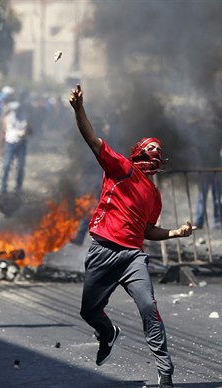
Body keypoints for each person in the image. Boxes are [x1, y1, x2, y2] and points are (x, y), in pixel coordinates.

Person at [69, 84, 194, 388]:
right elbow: (91, 139)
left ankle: (165, 372)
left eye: (159, 150)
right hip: (102, 250)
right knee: (89, 310)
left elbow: (147, 230)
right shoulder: (121, 167)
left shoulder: (155, 195)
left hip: (132, 257)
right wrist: (79, 109)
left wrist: (176, 232)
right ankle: (108, 333)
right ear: (139, 151)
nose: (156, 152)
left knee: (149, 307)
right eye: (151, 147)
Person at [0, 99, 31, 193]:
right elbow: (2, 133)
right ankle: (3, 187)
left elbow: (30, 130)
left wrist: (25, 132)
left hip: (21, 144)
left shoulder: (25, 119)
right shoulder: (7, 119)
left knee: (20, 166)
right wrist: (1, 148)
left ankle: (18, 187)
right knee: (6, 166)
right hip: (10, 144)